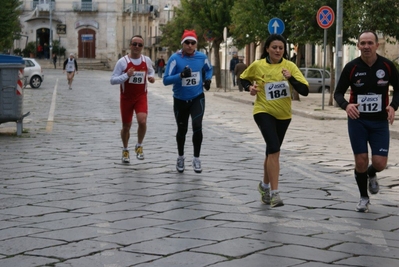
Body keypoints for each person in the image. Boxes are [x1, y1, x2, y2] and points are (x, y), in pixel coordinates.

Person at [240, 34, 309, 208]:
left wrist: (290, 78)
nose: (278, 51)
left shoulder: (290, 66)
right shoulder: (258, 65)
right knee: (274, 149)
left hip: (284, 116)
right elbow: (243, 78)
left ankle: (264, 186)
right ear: (267, 49)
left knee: (271, 153)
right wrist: (250, 87)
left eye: (281, 48)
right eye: (274, 47)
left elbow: (305, 90)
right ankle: (275, 194)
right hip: (263, 111)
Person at [334, 30, 399, 213]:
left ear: (377, 45)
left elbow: (398, 89)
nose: (366, 46)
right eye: (362, 43)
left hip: (379, 123)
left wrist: (393, 106)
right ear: (358, 46)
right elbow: (338, 93)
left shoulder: (387, 66)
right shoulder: (352, 67)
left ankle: (371, 174)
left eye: (370, 43)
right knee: (360, 161)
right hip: (358, 121)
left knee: (380, 163)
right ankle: (363, 197)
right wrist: (346, 106)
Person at [163, 29, 213, 173]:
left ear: (196, 44)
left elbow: (209, 69)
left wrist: (208, 79)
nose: (190, 45)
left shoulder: (201, 57)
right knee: (182, 130)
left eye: (193, 43)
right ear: (182, 43)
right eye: (187, 42)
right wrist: (181, 75)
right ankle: (180, 157)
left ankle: (196, 158)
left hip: (197, 97)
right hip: (180, 100)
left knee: (197, 125)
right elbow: (166, 80)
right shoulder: (174, 58)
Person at [110, 35, 155, 164]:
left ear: (142, 47)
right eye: (134, 44)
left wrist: (151, 78)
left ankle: (139, 145)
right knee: (126, 126)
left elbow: (151, 72)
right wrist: (126, 75)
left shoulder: (146, 60)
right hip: (126, 98)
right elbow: (112, 80)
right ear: (130, 45)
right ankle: (125, 149)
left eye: (140, 45)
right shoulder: (122, 62)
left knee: (142, 121)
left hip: (141, 96)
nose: (137, 47)